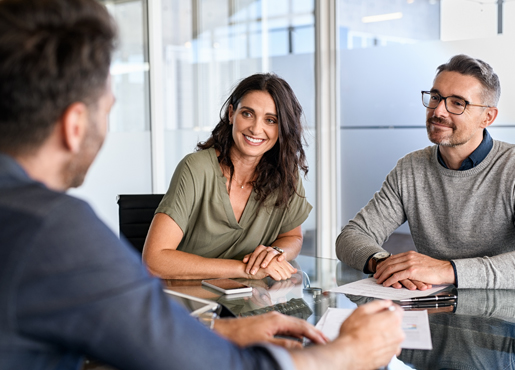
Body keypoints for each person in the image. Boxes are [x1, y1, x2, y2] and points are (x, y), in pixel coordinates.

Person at [0, 0, 405, 369]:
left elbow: (130, 334)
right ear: (74, 126)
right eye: (109, 109)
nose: (258, 128)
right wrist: (347, 352)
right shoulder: (54, 231)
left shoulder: (26, 220)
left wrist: (222, 328)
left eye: (271, 120)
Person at [336, 54, 515, 290]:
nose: (438, 111)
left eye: (457, 103)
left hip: (501, 318)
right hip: (429, 312)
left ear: (488, 117)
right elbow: (352, 236)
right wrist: (384, 263)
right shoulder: (410, 169)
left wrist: (445, 269)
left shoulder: (510, 168)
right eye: (435, 97)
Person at [143, 73, 312, 281]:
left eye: (270, 120)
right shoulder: (196, 168)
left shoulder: (286, 173)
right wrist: (244, 270)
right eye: (248, 114)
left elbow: (292, 236)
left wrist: (275, 253)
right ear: (231, 114)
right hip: (187, 302)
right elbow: (154, 260)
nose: (256, 128)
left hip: (248, 303)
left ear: (282, 127)